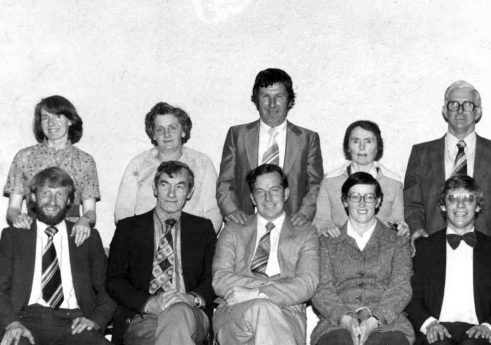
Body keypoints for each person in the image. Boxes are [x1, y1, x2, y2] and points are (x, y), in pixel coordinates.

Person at [0, 167, 118, 345]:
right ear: (33, 198)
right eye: (46, 193)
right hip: (27, 319)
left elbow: (108, 288)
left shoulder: (87, 238)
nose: (53, 201)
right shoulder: (14, 236)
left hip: (72, 321)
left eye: (60, 194)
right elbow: (0, 288)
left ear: (70, 201)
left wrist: (96, 320)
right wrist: (11, 323)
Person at [107, 161, 215, 345]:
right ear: (155, 189)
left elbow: (214, 278)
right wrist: (148, 303)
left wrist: (191, 299)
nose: (172, 194)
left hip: (191, 315)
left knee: (178, 314)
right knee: (176, 341)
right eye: (165, 185)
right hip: (143, 319)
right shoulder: (129, 228)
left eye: (180, 186)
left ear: (190, 191)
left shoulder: (203, 229)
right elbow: (114, 280)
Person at [212, 164, 319, 345]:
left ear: (286, 193)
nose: (268, 198)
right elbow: (220, 279)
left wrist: (257, 294)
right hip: (235, 320)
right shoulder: (233, 229)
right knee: (262, 309)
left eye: (275, 190)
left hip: (287, 318)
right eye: (260, 191)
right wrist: (269, 291)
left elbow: (308, 283)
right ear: (252, 197)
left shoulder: (305, 233)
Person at [311, 172, 414, 345]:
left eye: (369, 197)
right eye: (354, 196)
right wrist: (346, 320)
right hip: (336, 324)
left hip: (388, 324)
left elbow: (401, 287)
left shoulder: (397, 241)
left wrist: (375, 320)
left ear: (378, 202)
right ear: (344, 201)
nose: (362, 202)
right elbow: (321, 289)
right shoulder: (327, 242)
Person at [406, 175, 491, 345]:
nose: (461, 205)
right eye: (453, 198)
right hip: (436, 326)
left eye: (468, 199)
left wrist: (488, 327)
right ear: (443, 205)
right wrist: (429, 324)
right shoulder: (424, 247)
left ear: (478, 206)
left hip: (478, 329)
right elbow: (412, 298)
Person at [404, 80, 491, 250]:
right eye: (453, 104)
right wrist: (417, 229)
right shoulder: (421, 153)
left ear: (478, 112)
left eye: (468, 105)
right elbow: (412, 203)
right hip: (433, 244)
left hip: (483, 246)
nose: (460, 110)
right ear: (444, 111)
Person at [216, 68, 324, 226]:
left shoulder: (307, 139)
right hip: (246, 226)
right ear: (256, 100)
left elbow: (315, 185)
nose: (272, 104)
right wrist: (231, 211)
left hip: (292, 227)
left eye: (279, 96)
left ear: (289, 100)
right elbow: (225, 181)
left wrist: (304, 214)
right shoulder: (237, 135)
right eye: (265, 96)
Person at [4, 95, 100, 247]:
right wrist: (17, 218)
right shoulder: (24, 157)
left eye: (57, 116)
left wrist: (85, 220)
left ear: (70, 121)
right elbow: (12, 209)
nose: (51, 123)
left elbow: (90, 212)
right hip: (33, 233)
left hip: (71, 236)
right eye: (45, 118)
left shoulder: (85, 161)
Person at [114, 102, 221, 232]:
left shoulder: (202, 163)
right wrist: (136, 239)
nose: (167, 134)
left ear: (183, 131)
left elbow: (213, 211)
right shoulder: (139, 164)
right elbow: (123, 210)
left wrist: (200, 242)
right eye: (160, 129)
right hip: (146, 237)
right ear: (153, 134)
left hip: (191, 237)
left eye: (173, 128)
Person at [313, 120, 409, 237]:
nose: (362, 147)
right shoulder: (330, 181)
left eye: (368, 141)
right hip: (340, 247)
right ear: (348, 147)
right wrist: (327, 229)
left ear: (378, 147)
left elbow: (398, 221)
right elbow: (320, 221)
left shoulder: (393, 182)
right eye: (356, 141)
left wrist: (402, 228)